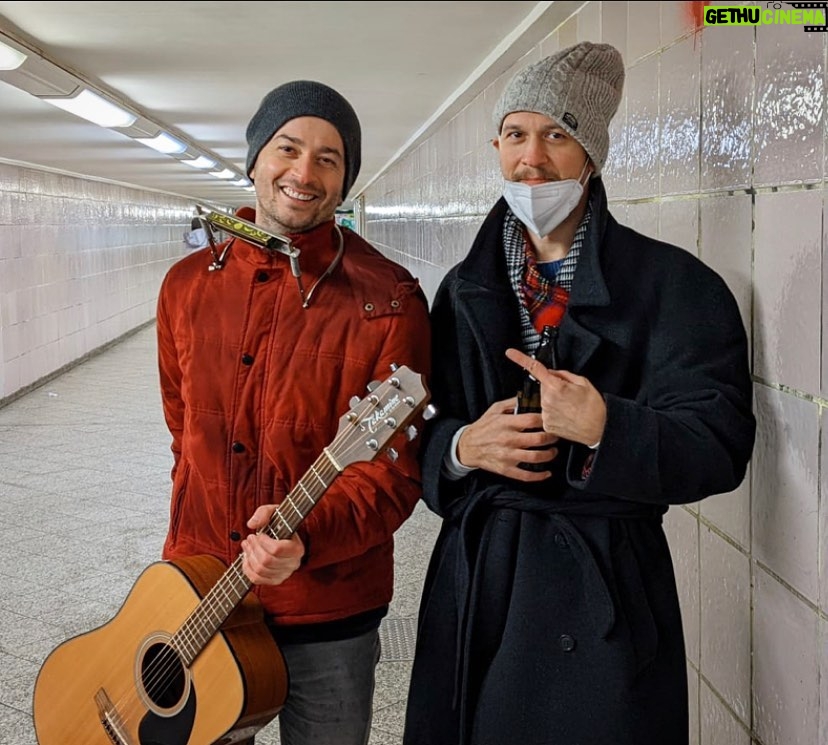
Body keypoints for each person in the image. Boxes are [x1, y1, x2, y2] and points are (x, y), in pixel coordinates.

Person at [402, 41, 755, 745]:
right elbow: (422, 426)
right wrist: (463, 446)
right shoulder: (464, 291)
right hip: (482, 578)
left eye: (557, 135)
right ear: (496, 145)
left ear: (592, 153)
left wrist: (605, 427)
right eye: (516, 134)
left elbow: (719, 443)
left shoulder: (677, 288)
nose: (532, 158)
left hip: (604, 587)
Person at [156, 80, 431, 745]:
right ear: (254, 159)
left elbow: (393, 476)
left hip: (329, 604)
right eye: (288, 148)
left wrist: (306, 540)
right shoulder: (188, 285)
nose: (304, 173)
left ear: (344, 181)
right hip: (200, 593)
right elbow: (181, 429)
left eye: (329, 158)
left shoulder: (389, 298)